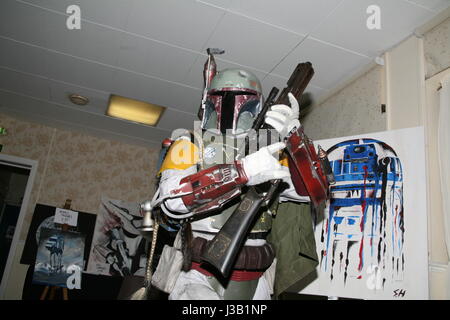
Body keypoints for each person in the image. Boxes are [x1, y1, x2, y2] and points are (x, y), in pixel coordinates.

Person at [148, 54, 320, 300]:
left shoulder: (270, 148)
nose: (231, 106)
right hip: (198, 273)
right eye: (222, 98)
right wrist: (241, 172)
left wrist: (294, 136)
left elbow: (312, 192)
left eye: (242, 99)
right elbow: (172, 201)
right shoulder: (188, 143)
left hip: (257, 277)